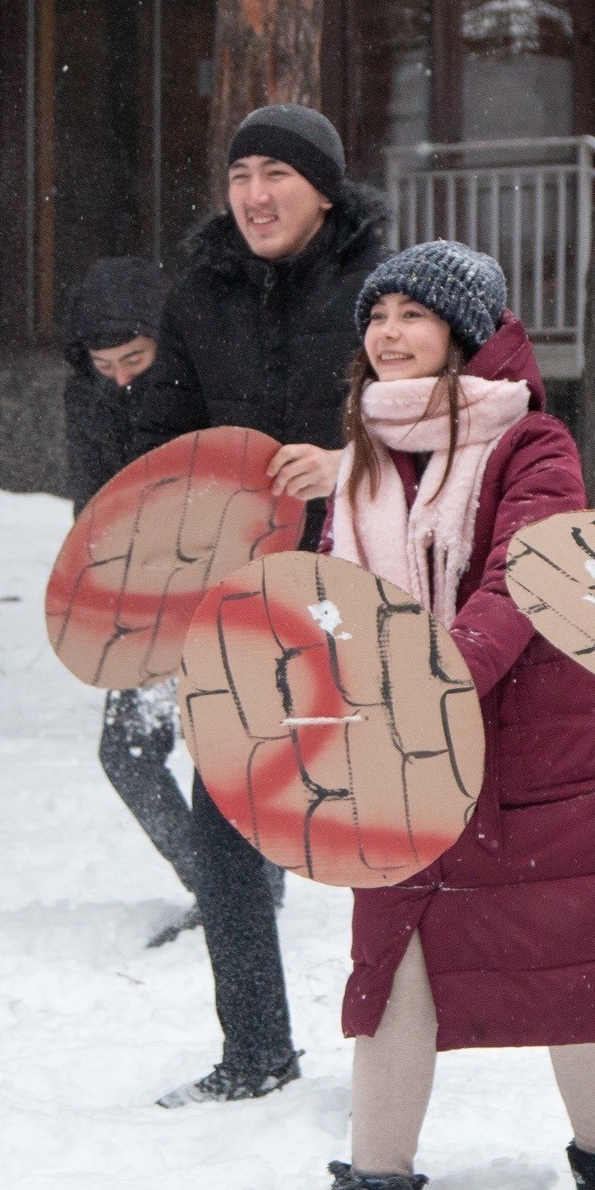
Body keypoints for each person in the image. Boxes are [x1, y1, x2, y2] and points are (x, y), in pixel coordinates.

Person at [320, 241, 595, 1190]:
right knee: (395, 951)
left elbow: (528, 572)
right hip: (410, 749)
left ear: (464, 334)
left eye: (412, 314)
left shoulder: (533, 444)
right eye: (377, 315)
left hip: (544, 748)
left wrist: (438, 672)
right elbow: (330, 606)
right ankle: (376, 1178)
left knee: (572, 958)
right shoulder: (363, 462)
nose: (389, 333)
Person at [134, 103, 392, 1107]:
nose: (253, 194)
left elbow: (446, 419)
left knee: (390, 818)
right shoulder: (199, 295)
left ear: (323, 188)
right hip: (241, 595)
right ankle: (256, 1049)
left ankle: (408, 1044)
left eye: (275, 173)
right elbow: (163, 437)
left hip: (362, 584)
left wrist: (348, 463)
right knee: (225, 818)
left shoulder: (382, 285)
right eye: (239, 173)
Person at [62, 257, 200, 945]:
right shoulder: (87, 396)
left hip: (213, 591)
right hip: (135, 600)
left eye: (133, 358)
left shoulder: (193, 383)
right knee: (129, 754)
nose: (118, 375)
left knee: (229, 747)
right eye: (103, 362)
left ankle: (246, 892)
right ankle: (219, 884)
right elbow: (91, 503)